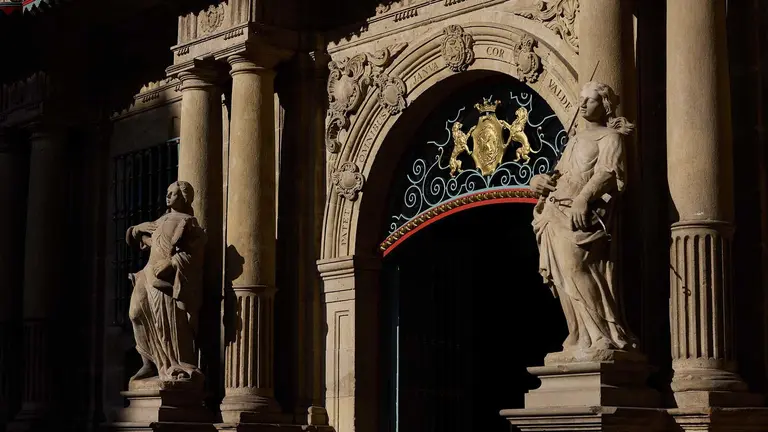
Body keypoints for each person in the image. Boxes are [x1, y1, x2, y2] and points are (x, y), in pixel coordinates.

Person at [530, 81, 638, 354]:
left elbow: (607, 173)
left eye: (589, 100)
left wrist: (583, 198)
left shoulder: (610, 138)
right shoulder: (575, 140)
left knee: (575, 268)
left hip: (581, 215)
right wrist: (538, 181)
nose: (582, 103)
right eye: (580, 98)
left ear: (603, 106)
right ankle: (579, 335)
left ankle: (603, 334)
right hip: (556, 211)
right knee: (563, 275)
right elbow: (559, 174)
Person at [126, 181, 207, 383]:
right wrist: (137, 230)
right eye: (168, 193)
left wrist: (172, 263)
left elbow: (194, 254)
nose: (168, 197)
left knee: (167, 323)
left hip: (163, 278)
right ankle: (149, 361)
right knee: (135, 313)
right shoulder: (162, 219)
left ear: (184, 198)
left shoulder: (188, 222)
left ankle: (174, 364)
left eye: (173, 194)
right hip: (147, 274)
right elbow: (151, 241)